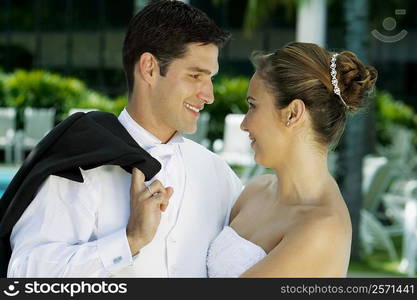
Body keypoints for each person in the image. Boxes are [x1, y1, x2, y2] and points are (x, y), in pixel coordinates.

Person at [7, 0, 243, 277]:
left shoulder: (217, 174)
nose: (209, 95)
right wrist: (129, 241)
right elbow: (25, 272)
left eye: (211, 78)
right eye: (195, 76)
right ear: (150, 68)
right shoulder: (79, 165)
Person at [207, 42, 378, 277]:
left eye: (252, 106)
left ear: (293, 113)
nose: (244, 124)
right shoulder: (256, 191)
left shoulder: (321, 228)